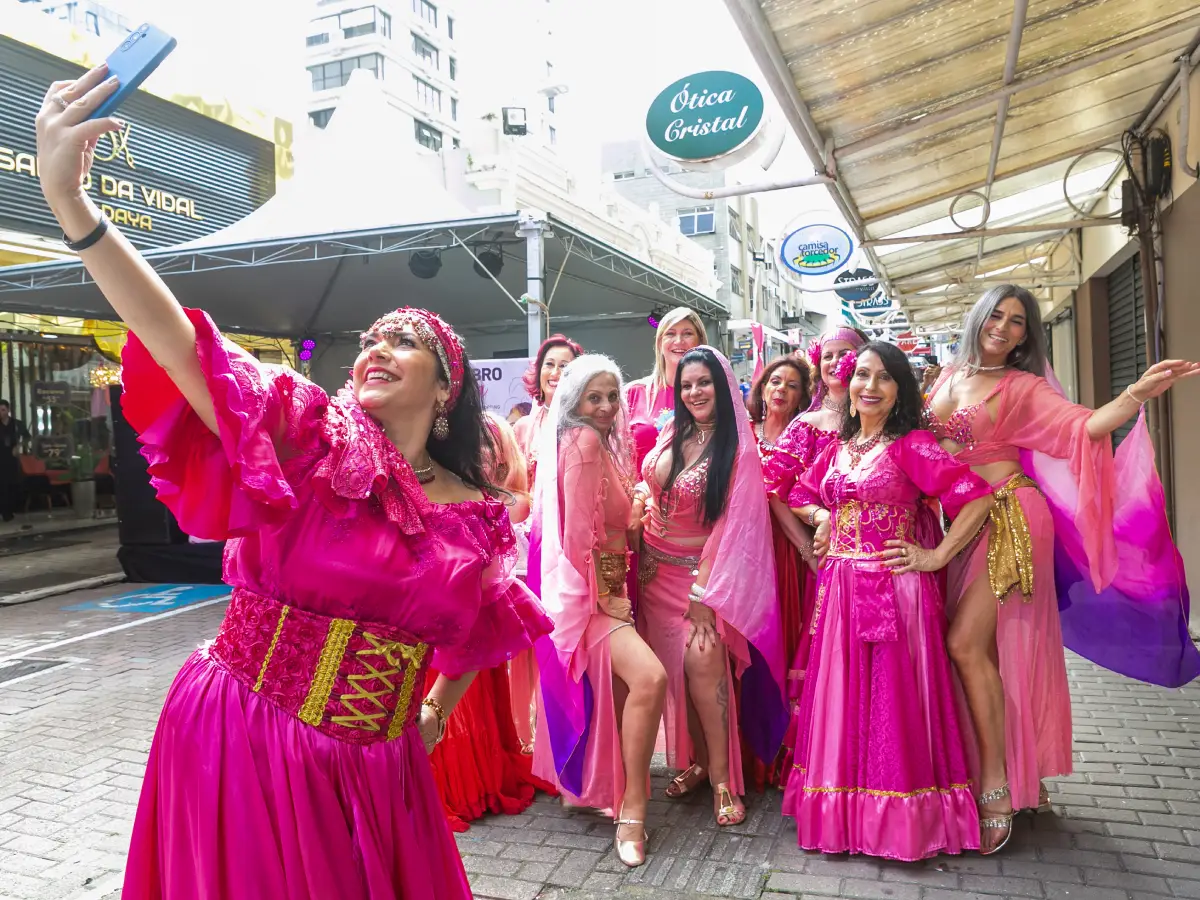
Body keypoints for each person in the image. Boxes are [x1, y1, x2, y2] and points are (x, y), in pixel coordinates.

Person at [35, 64, 552, 900]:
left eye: (404, 339)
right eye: (370, 338)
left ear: (448, 386)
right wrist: (76, 212)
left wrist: (435, 712)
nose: (376, 346)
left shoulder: (480, 520)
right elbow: (178, 341)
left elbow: (479, 627)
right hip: (242, 733)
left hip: (379, 771)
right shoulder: (312, 439)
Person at [924, 284, 1200, 853]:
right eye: (996, 315)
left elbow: (1084, 427)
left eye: (1018, 322)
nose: (1003, 327)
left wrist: (1134, 394)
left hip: (1007, 520)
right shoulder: (945, 379)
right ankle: (1019, 773)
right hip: (956, 525)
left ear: (1028, 335)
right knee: (988, 653)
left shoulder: (1022, 387)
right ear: (978, 317)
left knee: (965, 645)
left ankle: (998, 786)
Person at [784, 341, 994, 861]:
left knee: (891, 705)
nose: (869, 386)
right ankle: (847, 818)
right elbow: (799, 493)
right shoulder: (839, 448)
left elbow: (976, 497)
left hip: (895, 592)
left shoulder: (911, 446)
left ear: (899, 391)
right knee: (844, 703)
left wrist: (937, 556)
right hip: (839, 594)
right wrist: (825, 517)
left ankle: (898, 822)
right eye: (861, 376)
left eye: (883, 378)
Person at [634, 347, 787, 826]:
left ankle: (723, 780)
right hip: (650, 575)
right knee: (671, 680)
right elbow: (652, 485)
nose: (694, 393)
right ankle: (698, 763)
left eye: (703, 383)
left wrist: (703, 597)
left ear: (722, 386)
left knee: (705, 673)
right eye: (686, 385)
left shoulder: (738, 449)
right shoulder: (671, 432)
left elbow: (732, 527)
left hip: (701, 582)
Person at [529, 355, 667, 867]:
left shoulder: (589, 441)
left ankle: (602, 790)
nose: (607, 406)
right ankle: (633, 809)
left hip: (597, 591)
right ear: (575, 401)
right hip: (590, 597)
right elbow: (576, 538)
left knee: (617, 692)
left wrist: (629, 517)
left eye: (613, 396)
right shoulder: (585, 443)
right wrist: (605, 598)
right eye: (595, 397)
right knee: (650, 679)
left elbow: (600, 524)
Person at [424, 412, 555, 832]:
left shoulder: (504, 502)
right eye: (473, 441)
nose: (481, 450)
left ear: (502, 455)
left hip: (476, 620)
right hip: (437, 622)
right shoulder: (430, 491)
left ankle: (476, 781)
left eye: (489, 443)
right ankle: (450, 783)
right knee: (446, 707)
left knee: (465, 704)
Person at [763, 327, 866, 739]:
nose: (834, 362)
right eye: (827, 355)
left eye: (845, 354)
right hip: (820, 557)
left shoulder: (881, 418)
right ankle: (820, 745)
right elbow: (775, 491)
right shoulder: (806, 425)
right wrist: (806, 546)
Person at [743, 357, 813, 789]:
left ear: (803, 394)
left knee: (784, 640)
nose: (781, 389)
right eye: (774, 380)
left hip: (788, 552)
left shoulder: (804, 436)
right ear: (762, 387)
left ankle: (783, 753)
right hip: (747, 549)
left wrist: (806, 546)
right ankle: (748, 750)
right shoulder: (744, 433)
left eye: (791, 384)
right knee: (748, 645)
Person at [625, 307, 707, 471]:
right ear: (660, 343)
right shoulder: (633, 393)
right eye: (670, 333)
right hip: (640, 494)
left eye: (687, 333)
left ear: (700, 342)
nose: (678, 341)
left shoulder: (712, 395)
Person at [513, 334, 584, 487]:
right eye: (549, 364)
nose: (554, 373)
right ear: (539, 371)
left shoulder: (586, 426)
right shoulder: (522, 428)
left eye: (564, 366)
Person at [0, 399, 31, 522]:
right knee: (2, 485)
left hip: (12, 457)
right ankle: (5, 512)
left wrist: (18, 447)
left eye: (3, 410)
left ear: (8, 410)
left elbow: (27, 437)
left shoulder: (16, 424)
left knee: (12, 483)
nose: (1, 413)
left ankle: (11, 510)